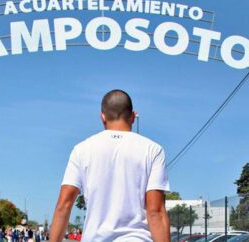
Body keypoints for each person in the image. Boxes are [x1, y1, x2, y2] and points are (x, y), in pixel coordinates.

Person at [50, 89, 170, 242]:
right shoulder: (153, 150)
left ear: (102, 117)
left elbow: (64, 204)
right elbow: (156, 212)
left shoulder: (81, 150)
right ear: (132, 116)